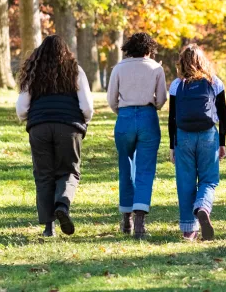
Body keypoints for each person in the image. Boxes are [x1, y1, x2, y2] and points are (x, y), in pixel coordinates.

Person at [16, 34, 94, 237]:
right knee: (69, 171)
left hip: (39, 127)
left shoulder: (32, 72)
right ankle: (63, 205)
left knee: (43, 175)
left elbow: (21, 108)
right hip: (68, 126)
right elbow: (87, 106)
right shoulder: (75, 70)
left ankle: (48, 227)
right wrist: (84, 121)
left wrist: (32, 119)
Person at [107, 32, 167, 239]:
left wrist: (122, 111)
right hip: (147, 117)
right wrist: (151, 105)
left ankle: (126, 218)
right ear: (149, 50)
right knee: (145, 168)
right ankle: (140, 220)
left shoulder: (119, 68)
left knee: (126, 166)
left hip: (124, 117)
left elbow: (111, 98)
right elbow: (161, 99)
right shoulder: (156, 68)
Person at [168, 44, 226, 241]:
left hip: (183, 136)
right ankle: (202, 206)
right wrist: (222, 142)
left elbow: (172, 118)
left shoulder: (177, 85)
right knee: (209, 179)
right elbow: (223, 115)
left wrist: (172, 146)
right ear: (203, 62)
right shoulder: (214, 82)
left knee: (185, 182)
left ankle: (188, 230)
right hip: (208, 136)